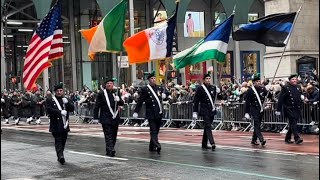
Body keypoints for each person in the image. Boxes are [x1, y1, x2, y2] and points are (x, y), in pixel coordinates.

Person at [133, 71, 168, 154]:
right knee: (153, 130)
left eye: (154, 78)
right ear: (149, 80)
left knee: (157, 130)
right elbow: (140, 101)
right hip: (151, 112)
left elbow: (167, 93)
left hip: (159, 112)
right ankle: (157, 145)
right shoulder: (145, 89)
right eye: (152, 78)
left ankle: (151, 146)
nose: (153, 80)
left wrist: (165, 95)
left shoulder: (159, 88)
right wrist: (136, 111)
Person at [93, 78, 124, 157]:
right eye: (108, 83)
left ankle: (109, 149)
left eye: (111, 83)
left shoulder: (116, 93)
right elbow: (97, 106)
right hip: (105, 117)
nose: (109, 85)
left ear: (113, 85)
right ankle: (111, 149)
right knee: (108, 134)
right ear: (105, 85)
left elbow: (122, 103)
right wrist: (95, 117)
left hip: (115, 117)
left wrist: (119, 99)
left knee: (114, 135)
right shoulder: (101, 94)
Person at [46, 84, 74, 164]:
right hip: (56, 124)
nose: (59, 92)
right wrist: (59, 112)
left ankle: (60, 154)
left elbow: (72, 109)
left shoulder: (66, 99)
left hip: (64, 124)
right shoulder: (50, 100)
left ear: (63, 91)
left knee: (63, 141)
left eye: (61, 91)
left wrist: (68, 103)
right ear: (55, 92)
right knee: (58, 140)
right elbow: (49, 110)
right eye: (57, 91)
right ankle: (60, 156)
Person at [192, 73, 220, 150]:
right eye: (207, 79)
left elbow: (217, 98)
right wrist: (195, 112)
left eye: (209, 78)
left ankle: (204, 144)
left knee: (207, 127)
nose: (208, 80)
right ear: (204, 80)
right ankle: (212, 142)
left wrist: (218, 92)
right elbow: (196, 101)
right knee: (208, 126)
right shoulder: (200, 88)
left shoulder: (213, 88)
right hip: (204, 110)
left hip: (211, 110)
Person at [276, 74, 303, 144]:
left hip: (296, 108)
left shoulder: (298, 86)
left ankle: (287, 138)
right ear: (290, 80)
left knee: (293, 124)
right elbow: (280, 99)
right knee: (293, 122)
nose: (294, 80)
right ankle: (297, 138)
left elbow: (301, 94)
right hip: (288, 108)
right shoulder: (285, 87)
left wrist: (303, 96)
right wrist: (278, 110)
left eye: (295, 79)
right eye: (292, 79)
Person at [244, 73, 269, 146]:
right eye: (256, 81)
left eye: (259, 81)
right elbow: (247, 102)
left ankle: (253, 140)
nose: (258, 82)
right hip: (254, 109)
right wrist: (247, 112)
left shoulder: (263, 89)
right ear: (254, 82)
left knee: (258, 125)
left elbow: (269, 95)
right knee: (257, 124)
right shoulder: (250, 90)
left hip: (260, 109)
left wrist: (270, 90)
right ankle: (262, 139)